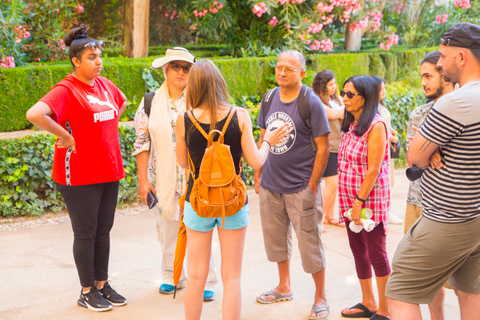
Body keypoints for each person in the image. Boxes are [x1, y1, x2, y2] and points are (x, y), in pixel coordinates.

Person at [175, 58, 290, 320]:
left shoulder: (184, 119)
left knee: (195, 276)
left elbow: (183, 162)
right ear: (219, 83)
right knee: (232, 277)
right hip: (233, 202)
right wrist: (268, 141)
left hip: (198, 201)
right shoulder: (239, 115)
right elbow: (256, 161)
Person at [25, 24, 127, 312]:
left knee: (103, 231)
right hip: (79, 174)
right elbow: (35, 114)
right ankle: (86, 291)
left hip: (109, 169)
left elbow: (122, 103)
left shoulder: (105, 85)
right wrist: (66, 135)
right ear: (76, 61)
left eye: (99, 56)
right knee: (86, 232)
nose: (98, 62)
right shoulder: (66, 89)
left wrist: (104, 129)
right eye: (92, 57)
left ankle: (101, 284)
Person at [386, 23, 480, 320]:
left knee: (400, 290)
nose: (439, 63)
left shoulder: (455, 102)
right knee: (470, 292)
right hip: (476, 218)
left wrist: (425, 148)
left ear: (462, 57)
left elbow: (415, 157)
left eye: (443, 56)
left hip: (448, 217)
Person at [132, 47, 218, 301]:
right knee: (167, 228)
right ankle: (172, 276)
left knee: (200, 230)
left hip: (196, 177)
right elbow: (141, 142)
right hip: (163, 179)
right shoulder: (149, 102)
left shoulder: (201, 100)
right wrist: (142, 181)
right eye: (175, 66)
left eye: (186, 67)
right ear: (165, 69)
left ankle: (206, 280)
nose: (181, 72)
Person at [254, 50, 331, 320]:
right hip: (271, 185)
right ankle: (284, 285)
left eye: (289, 68)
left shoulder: (311, 102)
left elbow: (324, 147)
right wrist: (258, 174)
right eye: (278, 68)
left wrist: (312, 186)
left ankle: (320, 297)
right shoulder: (269, 98)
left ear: (302, 73)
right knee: (275, 240)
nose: (282, 72)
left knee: (310, 244)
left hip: (301, 187)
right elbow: (263, 136)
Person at [403, 50, 455, 320]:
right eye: (421, 76)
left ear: (445, 74)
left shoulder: (466, 111)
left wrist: (427, 147)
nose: (422, 82)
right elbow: (412, 161)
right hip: (418, 202)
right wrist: (423, 152)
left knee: (465, 281)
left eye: (428, 76)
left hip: (456, 207)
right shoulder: (418, 114)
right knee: (425, 277)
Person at [338, 76, 391, 320]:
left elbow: (373, 170)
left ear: (366, 97)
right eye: (344, 93)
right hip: (350, 200)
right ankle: (368, 301)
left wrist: (359, 203)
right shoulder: (351, 124)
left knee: (376, 253)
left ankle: (385, 308)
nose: (344, 98)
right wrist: (351, 204)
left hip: (368, 201)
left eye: (350, 94)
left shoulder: (376, 126)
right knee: (358, 251)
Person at [312, 70, 345, 232]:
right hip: (327, 147)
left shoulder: (336, 99)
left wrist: (341, 110)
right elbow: (332, 114)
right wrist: (342, 109)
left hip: (339, 146)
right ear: (322, 86)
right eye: (330, 84)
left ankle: (329, 216)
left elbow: (343, 114)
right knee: (332, 184)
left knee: (335, 185)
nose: (334, 87)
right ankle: (316, 220)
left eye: (334, 84)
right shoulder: (317, 101)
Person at [372, 76, 402, 226]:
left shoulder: (380, 105)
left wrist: (391, 130)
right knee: (382, 181)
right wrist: (389, 136)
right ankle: (385, 212)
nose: (384, 91)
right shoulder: (372, 108)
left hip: (387, 146)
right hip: (381, 148)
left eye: (384, 88)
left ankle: (386, 211)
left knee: (387, 181)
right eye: (381, 89)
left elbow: (385, 123)